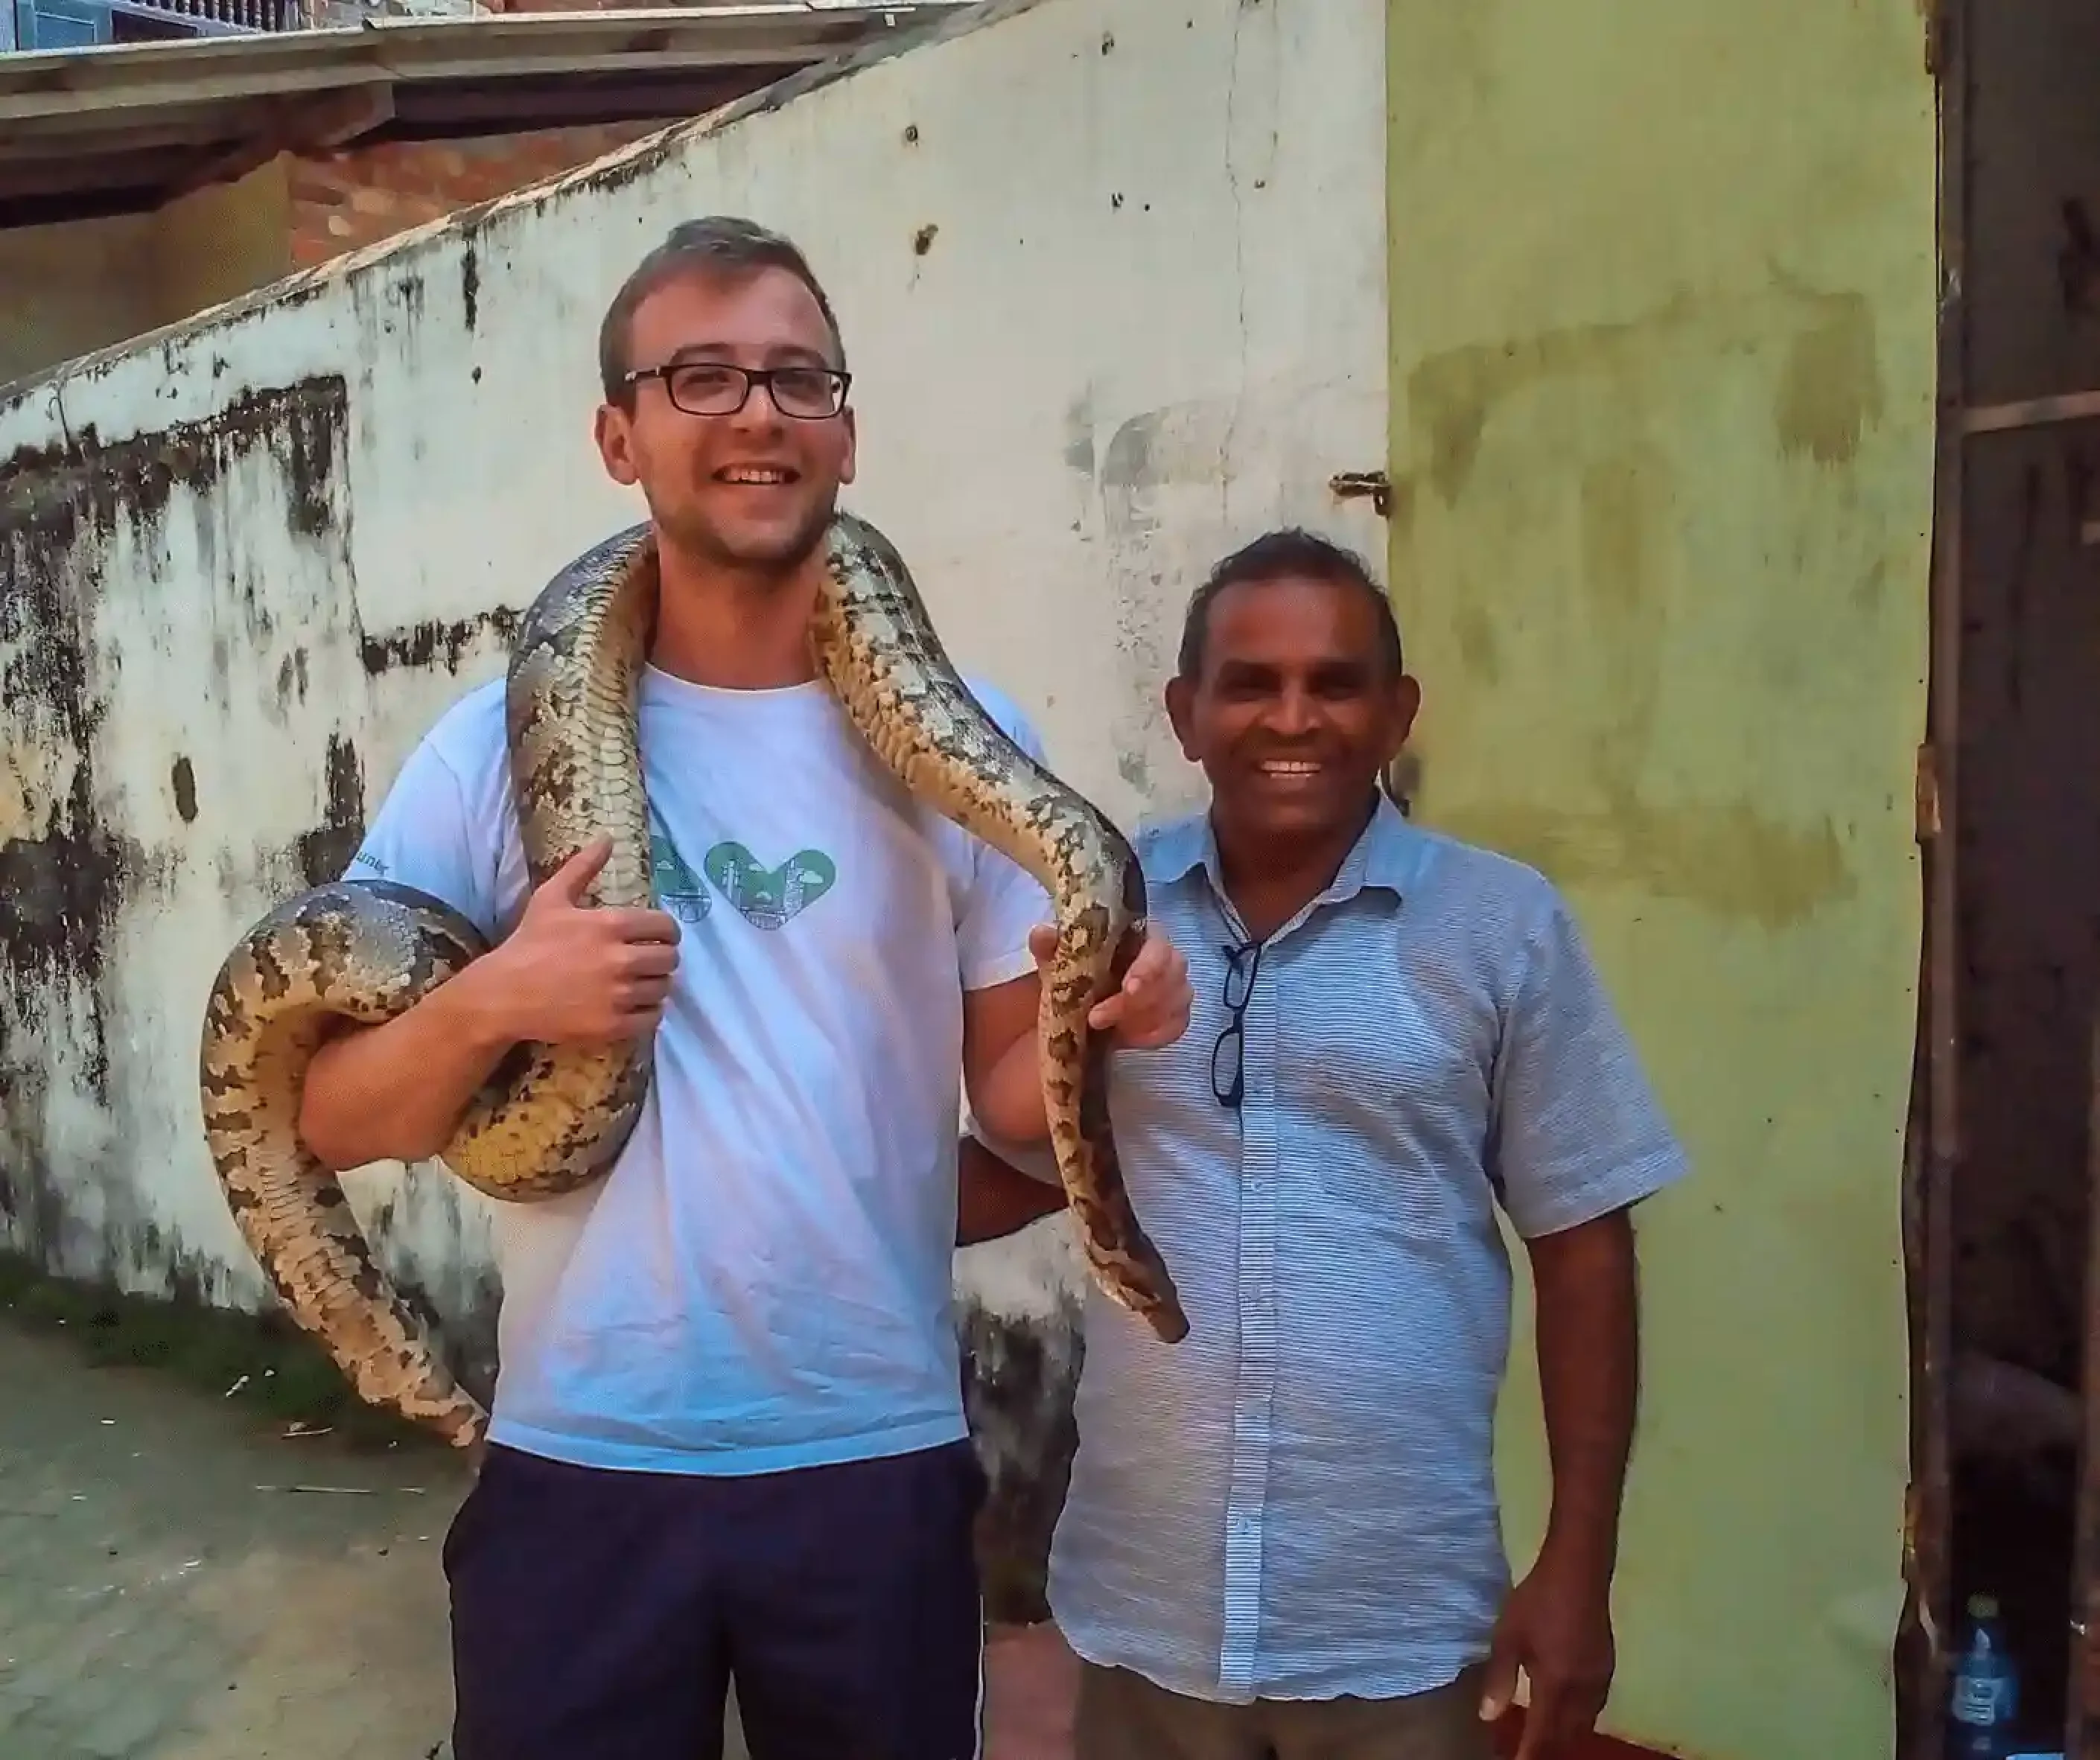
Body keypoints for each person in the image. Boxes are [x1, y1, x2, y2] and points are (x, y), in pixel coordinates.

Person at [296, 214, 1192, 1760]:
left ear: (845, 433)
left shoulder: (967, 741)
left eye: (797, 378)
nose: (758, 413)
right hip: (579, 1468)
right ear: (617, 435)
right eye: (699, 378)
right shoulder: (485, 753)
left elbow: (1003, 1098)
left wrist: (1104, 1021)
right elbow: (332, 1112)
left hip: (874, 1463)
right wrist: (496, 1001)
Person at [965, 527, 1690, 1760]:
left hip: (1395, 1628)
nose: (1291, 718)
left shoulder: (1501, 928)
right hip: (1145, 1616)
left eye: (1335, 683)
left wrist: (1579, 1564)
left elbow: (1584, 1253)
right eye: (1249, 684)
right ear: (1186, 714)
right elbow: (1016, 1164)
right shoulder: (1105, 920)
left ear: (1397, 711)